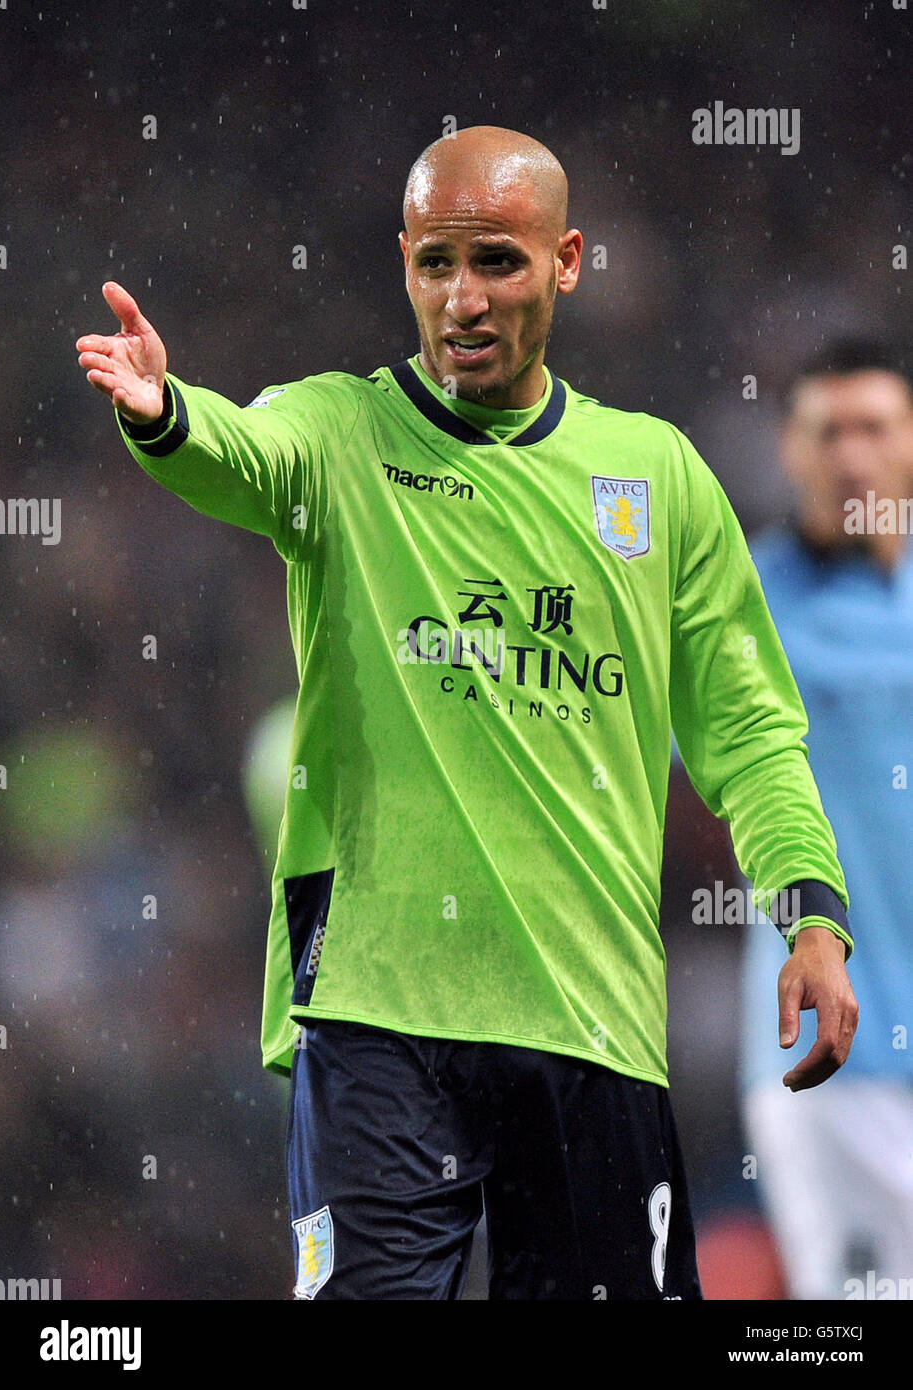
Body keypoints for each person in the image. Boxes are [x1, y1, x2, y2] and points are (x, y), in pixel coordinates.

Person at [76, 125, 858, 1301]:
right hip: (378, 1010)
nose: (462, 298)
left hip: (591, 1018)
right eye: (434, 263)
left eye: (496, 260)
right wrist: (164, 412)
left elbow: (746, 725)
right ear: (402, 262)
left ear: (568, 260)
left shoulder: (653, 476)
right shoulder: (339, 429)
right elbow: (241, 454)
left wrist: (806, 910)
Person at [740, 339, 913, 1301]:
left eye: (874, 429)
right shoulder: (739, 605)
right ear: (789, 450)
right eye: (827, 432)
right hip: (838, 1056)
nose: (852, 457)